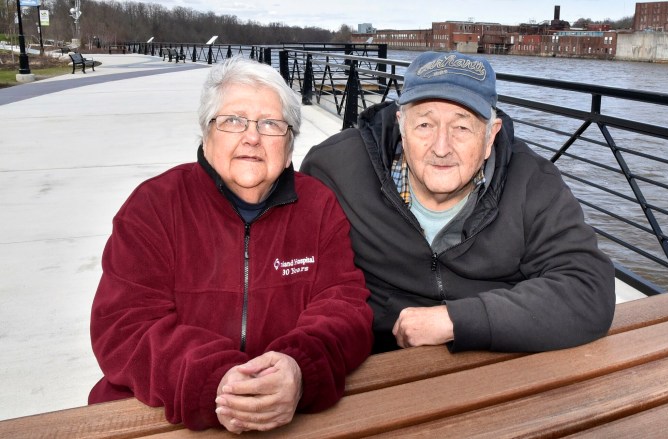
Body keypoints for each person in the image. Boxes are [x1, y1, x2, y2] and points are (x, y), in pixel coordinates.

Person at [88, 57, 373, 433]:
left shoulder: (318, 205)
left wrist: (299, 367)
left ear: (289, 145)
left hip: (289, 413)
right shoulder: (154, 205)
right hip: (159, 411)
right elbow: (124, 326)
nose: (252, 137)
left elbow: (345, 307)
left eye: (271, 124)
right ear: (207, 134)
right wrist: (215, 380)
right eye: (233, 120)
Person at [300, 51, 615, 354]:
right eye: (425, 124)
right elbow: (293, 275)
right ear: (401, 125)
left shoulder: (532, 182)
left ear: (491, 136)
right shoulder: (336, 168)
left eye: (462, 127)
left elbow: (588, 289)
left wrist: (455, 319)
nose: (441, 147)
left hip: (489, 355)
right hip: (376, 361)